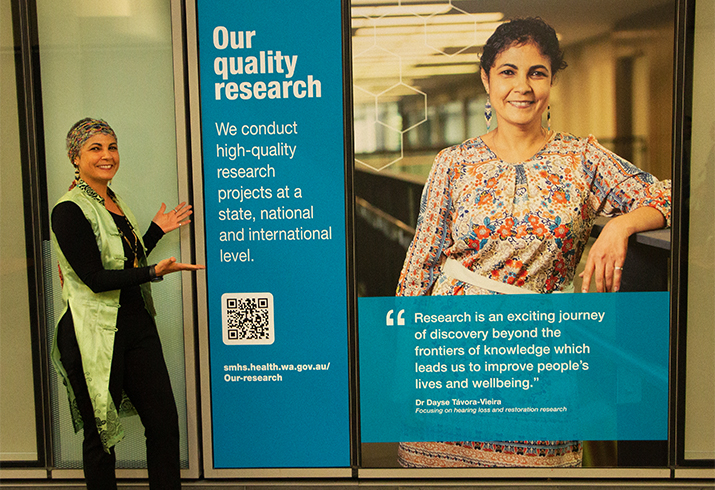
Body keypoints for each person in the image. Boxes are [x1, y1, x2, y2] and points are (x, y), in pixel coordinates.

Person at [396, 18, 671, 467]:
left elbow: (671, 195)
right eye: (508, 71)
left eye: (536, 72)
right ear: (486, 79)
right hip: (450, 361)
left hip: (538, 360)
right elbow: (418, 270)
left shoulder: (581, 159)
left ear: (551, 80)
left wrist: (622, 225)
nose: (521, 86)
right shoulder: (454, 163)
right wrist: (404, 370)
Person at [50, 118, 205, 489]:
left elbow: (123, 263)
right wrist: (153, 272)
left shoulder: (114, 203)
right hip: (93, 337)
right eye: (96, 148)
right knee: (101, 439)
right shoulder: (69, 210)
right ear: (75, 156)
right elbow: (95, 278)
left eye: (112, 147)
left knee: (164, 425)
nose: (107, 156)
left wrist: (153, 232)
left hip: (137, 327)